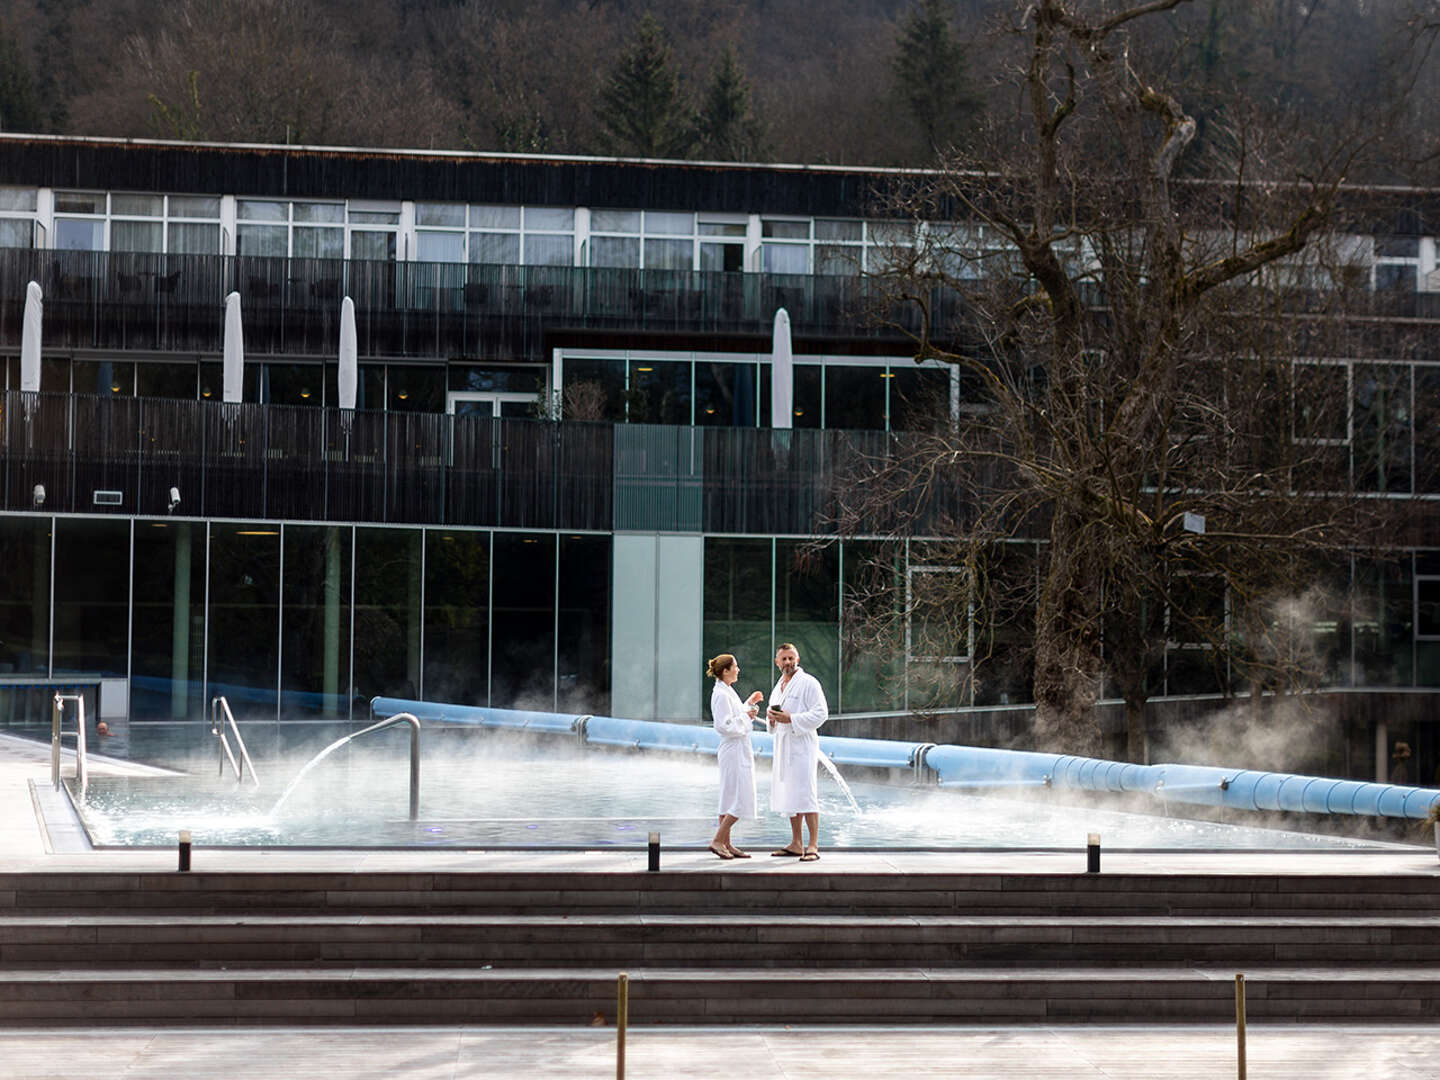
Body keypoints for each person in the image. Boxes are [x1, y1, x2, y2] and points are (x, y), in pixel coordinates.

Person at [766, 642, 829, 861]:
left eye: (791, 658)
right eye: (784, 659)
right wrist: (772, 719)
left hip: (802, 746)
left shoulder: (809, 683)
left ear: (798, 660)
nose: (788, 662)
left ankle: (813, 845)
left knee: (806, 793)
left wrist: (792, 719)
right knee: (790, 793)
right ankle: (796, 843)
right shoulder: (779, 685)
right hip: (784, 746)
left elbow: (821, 714)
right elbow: (775, 715)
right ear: (777, 662)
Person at [707, 653, 765, 859]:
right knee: (739, 797)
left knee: (728, 796)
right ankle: (717, 840)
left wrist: (749, 703)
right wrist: (747, 717)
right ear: (725, 671)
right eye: (735, 666)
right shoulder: (721, 694)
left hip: (736, 748)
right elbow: (724, 725)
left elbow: (736, 714)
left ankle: (727, 844)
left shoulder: (727, 691)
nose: (738, 670)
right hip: (733, 750)